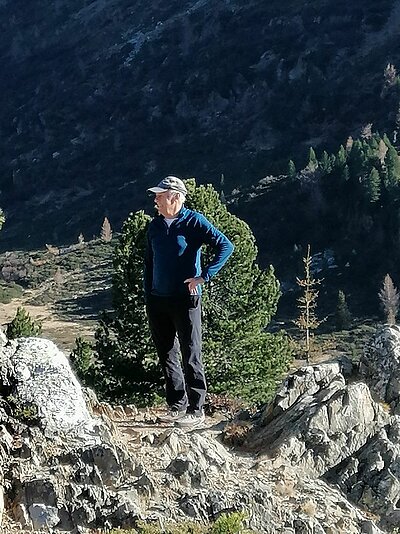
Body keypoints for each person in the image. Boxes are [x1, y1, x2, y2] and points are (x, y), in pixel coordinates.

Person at [144, 176, 234, 428]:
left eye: (160, 196)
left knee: (191, 352)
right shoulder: (155, 227)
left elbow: (225, 246)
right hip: (158, 300)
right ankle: (176, 406)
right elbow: (149, 264)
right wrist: (148, 295)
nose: (155, 200)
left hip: (186, 300)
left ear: (174, 197)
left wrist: (203, 276)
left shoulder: (194, 221)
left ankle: (196, 409)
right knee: (167, 354)